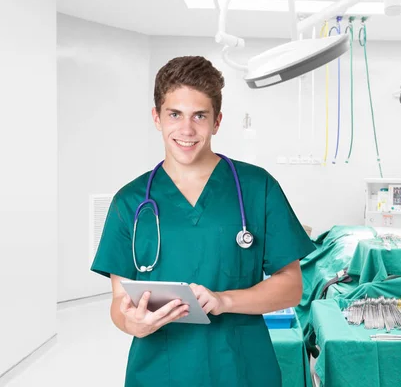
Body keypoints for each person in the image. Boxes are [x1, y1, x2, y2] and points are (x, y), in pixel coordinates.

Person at [91, 56, 315, 386]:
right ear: (157, 118)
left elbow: (292, 287)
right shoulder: (130, 202)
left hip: (241, 368)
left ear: (217, 121)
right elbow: (118, 301)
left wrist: (225, 301)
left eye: (199, 115)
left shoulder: (257, 187)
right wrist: (133, 324)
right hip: (159, 370)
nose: (186, 129)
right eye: (174, 114)